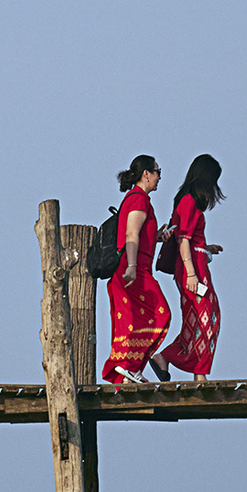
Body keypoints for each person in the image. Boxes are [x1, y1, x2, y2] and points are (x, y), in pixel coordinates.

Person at [102, 154, 172, 384]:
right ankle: (129, 365)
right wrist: (131, 267)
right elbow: (131, 235)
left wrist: (158, 236)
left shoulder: (137, 199)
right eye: (158, 172)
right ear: (146, 174)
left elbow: (138, 234)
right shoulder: (139, 199)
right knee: (160, 313)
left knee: (136, 317)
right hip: (133, 270)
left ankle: (131, 368)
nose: (159, 178)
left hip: (135, 268)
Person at [160, 154, 225, 381]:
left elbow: (187, 237)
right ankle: (198, 372)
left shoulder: (186, 200)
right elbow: (183, 239)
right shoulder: (188, 201)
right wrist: (191, 274)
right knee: (207, 317)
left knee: (198, 317)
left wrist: (206, 247)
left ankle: (169, 358)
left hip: (194, 266)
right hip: (192, 270)